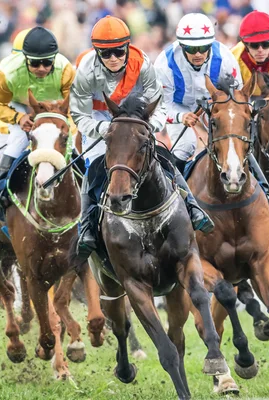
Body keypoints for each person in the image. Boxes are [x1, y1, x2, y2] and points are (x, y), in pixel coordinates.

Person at [71, 16, 213, 259]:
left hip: (135, 120)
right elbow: (78, 114)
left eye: (118, 51)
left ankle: (193, 207)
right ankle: (86, 228)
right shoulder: (85, 69)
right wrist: (104, 130)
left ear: (127, 48)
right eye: (106, 54)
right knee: (95, 165)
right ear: (97, 53)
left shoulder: (143, 64)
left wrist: (148, 128)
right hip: (100, 119)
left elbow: (161, 106)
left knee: (163, 155)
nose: (113, 58)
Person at [0, 27, 75, 213]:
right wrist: (18, 117)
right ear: (25, 58)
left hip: (52, 105)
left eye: (47, 63)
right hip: (14, 102)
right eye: (35, 63)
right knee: (19, 137)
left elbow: (75, 107)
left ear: (55, 58)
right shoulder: (5, 73)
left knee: (68, 137)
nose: (41, 68)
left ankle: (86, 184)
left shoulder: (65, 70)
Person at [154, 13, 242, 171]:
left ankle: (262, 187)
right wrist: (181, 117)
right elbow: (160, 107)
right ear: (181, 45)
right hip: (179, 106)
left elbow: (238, 96)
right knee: (185, 145)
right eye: (192, 49)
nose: (198, 54)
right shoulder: (164, 64)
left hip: (215, 103)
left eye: (203, 48)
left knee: (235, 140)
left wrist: (219, 104)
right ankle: (175, 188)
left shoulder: (225, 58)